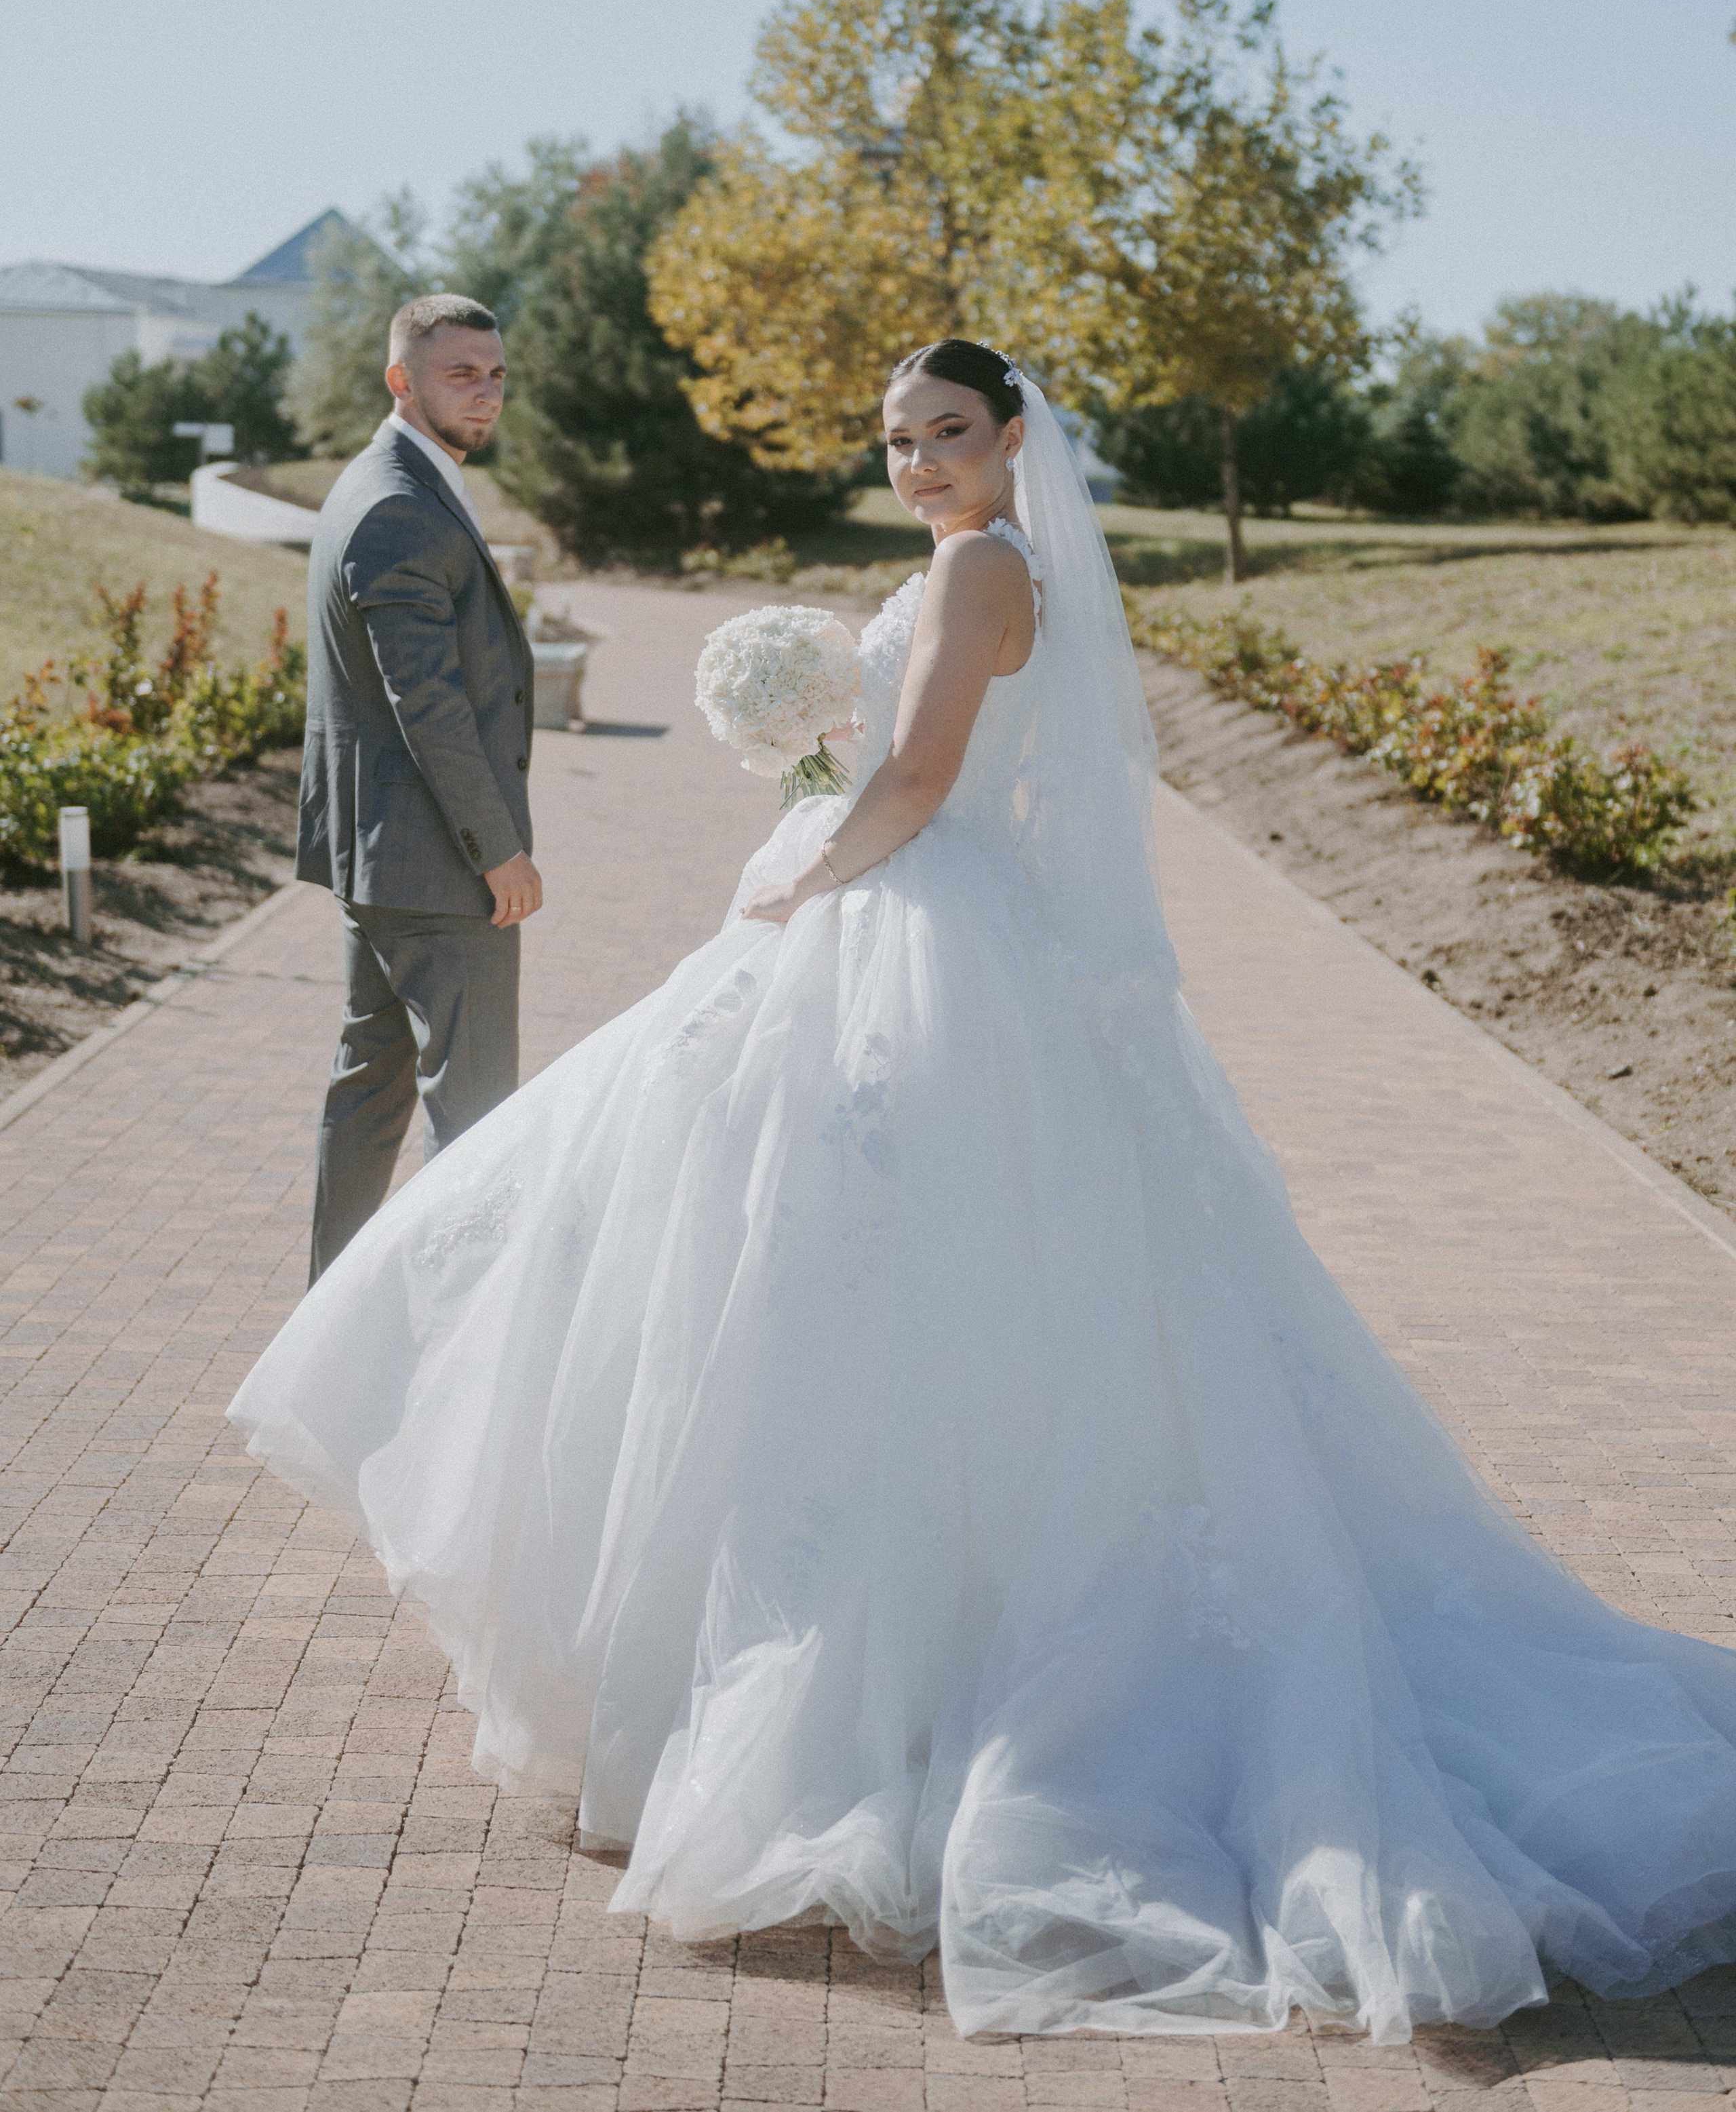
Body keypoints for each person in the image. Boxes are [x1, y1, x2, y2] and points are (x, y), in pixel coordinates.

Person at [234, 341, 1736, 2039]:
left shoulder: (977, 567)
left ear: (1013, 437)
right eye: (893, 440)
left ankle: (898, 1677)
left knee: (851, 1277)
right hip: (952, 923)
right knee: (862, 1273)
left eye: (947, 433)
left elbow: (927, 780)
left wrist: (801, 877)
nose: (919, 462)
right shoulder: (978, 566)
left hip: (913, 930)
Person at [295, 293, 540, 1287]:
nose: (485, 392)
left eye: (494, 374)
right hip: (442, 868)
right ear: (403, 380)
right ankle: (457, 1350)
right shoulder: (398, 502)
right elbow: (423, 704)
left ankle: (327, 1321)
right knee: (475, 1114)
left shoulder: (392, 479)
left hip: (380, 857)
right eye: (460, 374)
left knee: (368, 1089)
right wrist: (499, 849)